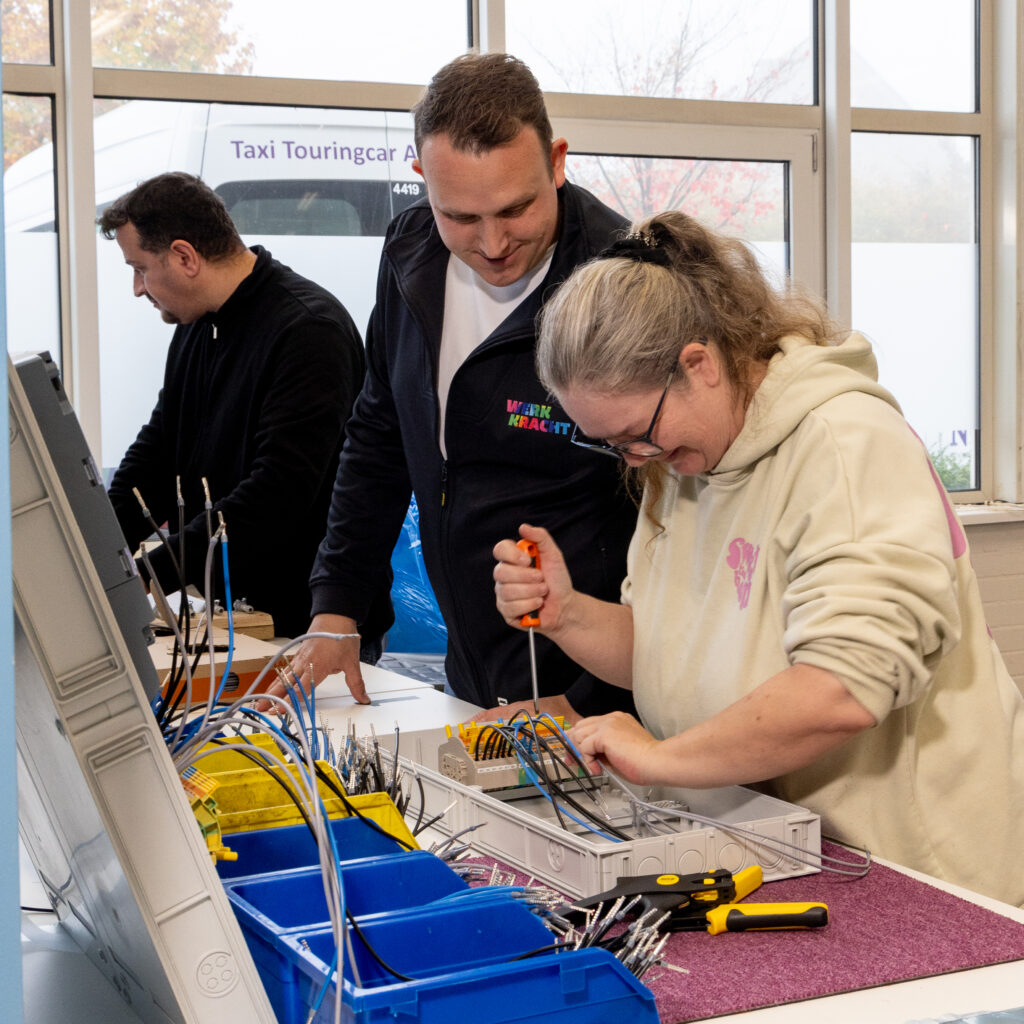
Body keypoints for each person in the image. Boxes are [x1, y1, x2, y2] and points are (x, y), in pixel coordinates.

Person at [492, 210, 1024, 906]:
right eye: (613, 445)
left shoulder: (845, 442)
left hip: (919, 871)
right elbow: (675, 654)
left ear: (699, 364)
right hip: (790, 852)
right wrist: (569, 616)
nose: (636, 459)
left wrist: (659, 758)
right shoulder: (686, 464)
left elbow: (843, 689)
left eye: (637, 434)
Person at [279, 53, 638, 714]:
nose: (494, 243)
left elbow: (677, 522)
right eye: (462, 218)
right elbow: (379, 439)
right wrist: (337, 608)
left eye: (515, 209)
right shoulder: (410, 252)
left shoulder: (626, 278)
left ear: (557, 162)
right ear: (421, 181)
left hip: (607, 692)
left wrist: (590, 699)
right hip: (475, 677)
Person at [101, 172, 367, 640]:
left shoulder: (308, 331)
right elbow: (158, 452)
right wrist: (93, 552)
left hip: (303, 624)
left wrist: (142, 576)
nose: (138, 289)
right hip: (228, 613)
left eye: (139, 268)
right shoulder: (197, 325)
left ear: (184, 256)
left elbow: (275, 496)